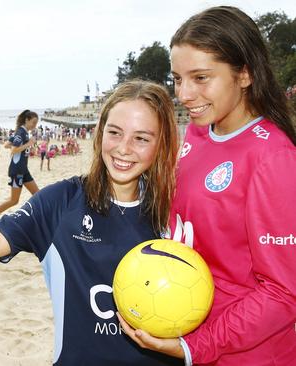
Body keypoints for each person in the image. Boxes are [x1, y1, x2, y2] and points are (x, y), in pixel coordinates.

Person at [0, 80, 181, 365]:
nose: (124, 148)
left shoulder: (176, 208)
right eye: (114, 132)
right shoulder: (62, 202)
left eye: (141, 138)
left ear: (161, 144)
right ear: (99, 134)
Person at [118, 6, 296, 366]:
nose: (183, 94)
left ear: (244, 74)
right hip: (192, 335)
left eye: (200, 78)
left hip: (248, 354)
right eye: (178, 78)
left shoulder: (274, 158)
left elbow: (284, 293)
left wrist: (196, 346)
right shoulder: (198, 133)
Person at [0, 110, 40, 223]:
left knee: (38, 195)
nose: (35, 125)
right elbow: (14, 150)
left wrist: (25, 147)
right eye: (33, 122)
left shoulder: (22, 132)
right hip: (17, 170)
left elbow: (6, 145)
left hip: (24, 169)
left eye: (36, 123)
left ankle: (37, 218)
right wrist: (28, 144)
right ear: (27, 120)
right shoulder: (21, 132)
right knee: (14, 200)